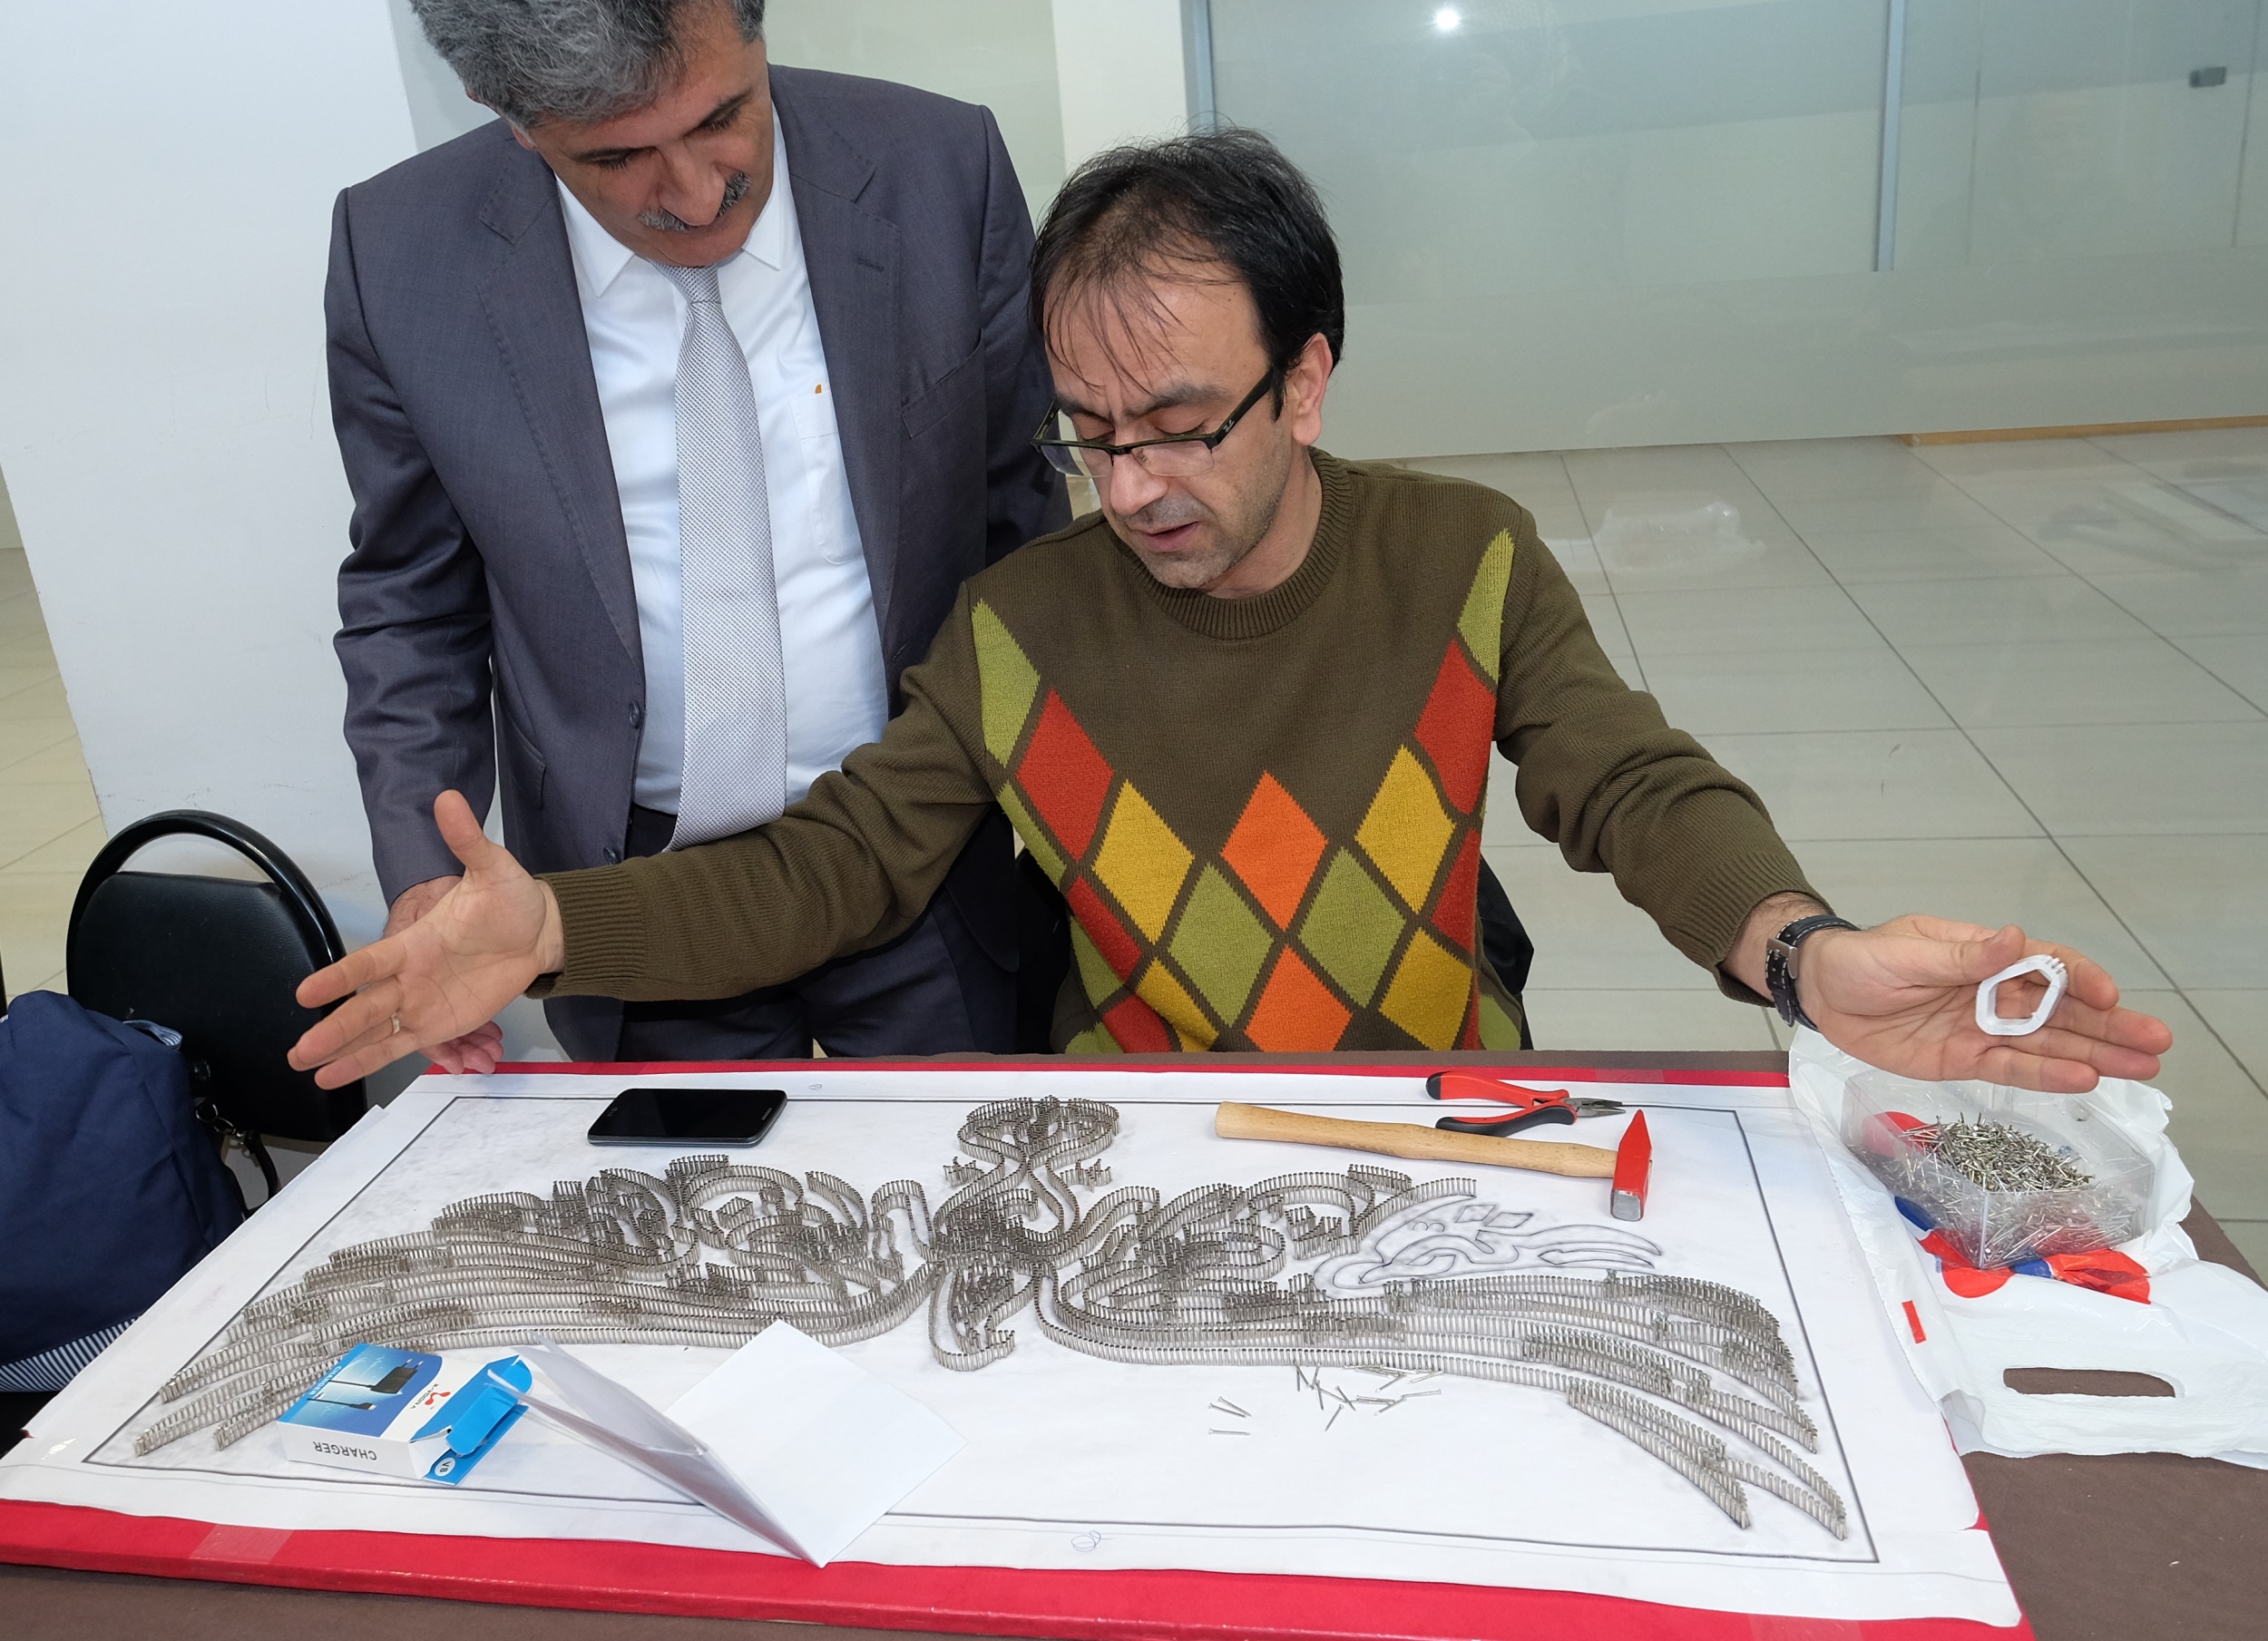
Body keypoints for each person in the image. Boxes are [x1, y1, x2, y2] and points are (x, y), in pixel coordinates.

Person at [294, 131, 2172, 1094]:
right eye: (1091, 434)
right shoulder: (1023, 625)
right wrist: (556, 924)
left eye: (1184, 425)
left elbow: (1627, 783)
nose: (1132, 490)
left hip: (1445, 1108)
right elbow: (837, 868)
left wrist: (1800, 952)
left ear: (1307, 381)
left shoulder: (1458, 555)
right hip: (1144, 1147)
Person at [325, 0, 1065, 1068]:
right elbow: (409, 598)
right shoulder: (403, 256)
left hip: (919, 853)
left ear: (756, 24)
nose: (699, 188)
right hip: (624, 894)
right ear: (507, 112)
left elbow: (1022, 520)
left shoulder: (942, 168)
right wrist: (427, 868)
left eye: (724, 115)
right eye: (617, 156)